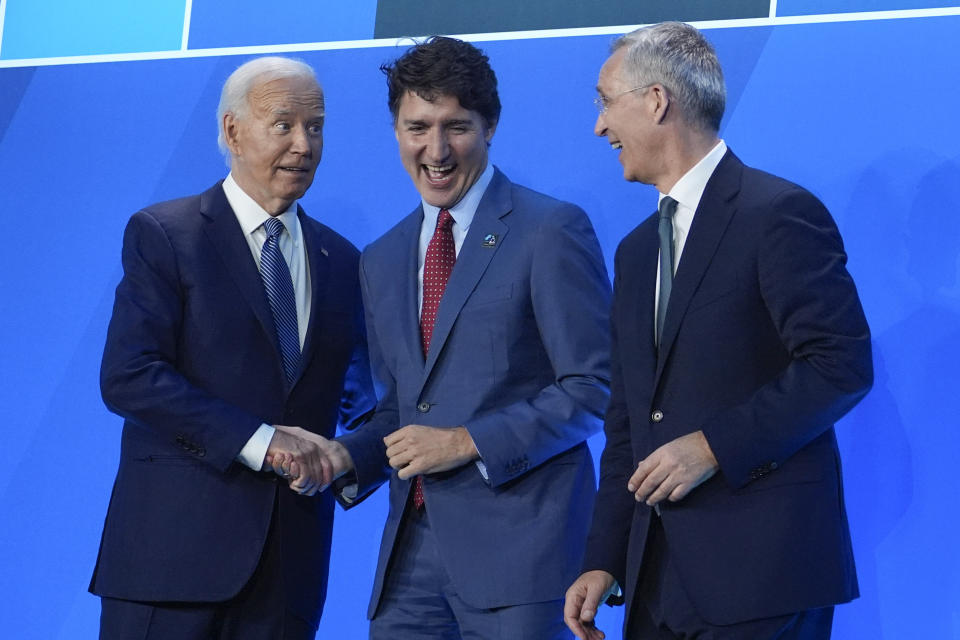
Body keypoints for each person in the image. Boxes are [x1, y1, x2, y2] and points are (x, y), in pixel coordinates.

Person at [287, 35, 611, 638]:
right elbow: (400, 411)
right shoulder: (381, 259)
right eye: (417, 128)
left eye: (455, 127)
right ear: (395, 130)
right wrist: (345, 454)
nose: (435, 150)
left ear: (490, 127)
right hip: (408, 564)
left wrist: (468, 440)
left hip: (523, 560)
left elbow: (592, 387)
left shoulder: (550, 230)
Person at [564, 22, 873, 640]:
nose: (599, 126)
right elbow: (627, 421)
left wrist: (713, 446)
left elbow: (840, 365)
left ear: (656, 101)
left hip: (763, 576)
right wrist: (605, 555)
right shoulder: (633, 253)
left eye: (605, 102)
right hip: (655, 583)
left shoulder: (778, 214)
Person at [90, 56, 373, 639]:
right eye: (284, 124)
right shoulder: (165, 235)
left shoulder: (343, 261)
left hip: (288, 576)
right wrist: (264, 444)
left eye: (316, 126)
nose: (304, 143)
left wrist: (354, 458)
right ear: (231, 130)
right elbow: (130, 375)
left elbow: (366, 399)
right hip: (170, 567)